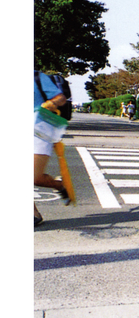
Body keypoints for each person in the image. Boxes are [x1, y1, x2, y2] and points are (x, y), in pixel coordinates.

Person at [34, 71, 70, 226]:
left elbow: (61, 98)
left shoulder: (36, 77)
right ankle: (33, 214)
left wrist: (51, 103)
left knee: (34, 177)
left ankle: (59, 185)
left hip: (40, 130)